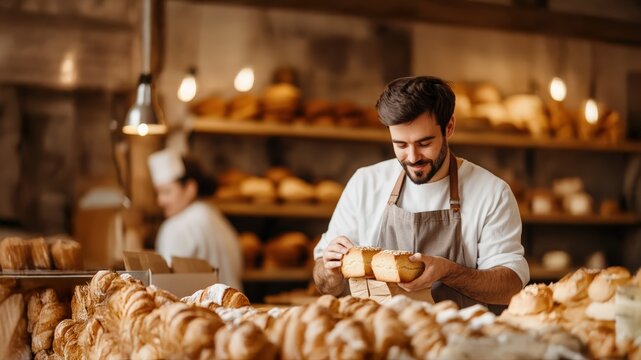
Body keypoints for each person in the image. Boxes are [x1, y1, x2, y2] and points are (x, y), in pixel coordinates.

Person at [313, 76, 528, 307]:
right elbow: (324, 282)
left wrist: (448, 271)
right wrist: (330, 271)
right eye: (401, 145)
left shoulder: (491, 192)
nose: (413, 157)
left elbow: (510, 286)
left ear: (450, 127)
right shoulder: (365, 183)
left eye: (424, 143)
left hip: (460, 338)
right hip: (379, 335)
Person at [148, 149, 243, 290]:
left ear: (190, 189)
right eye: (158, 193)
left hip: (196, 311)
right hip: (234, 308)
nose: (160, 201)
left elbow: (166, 288)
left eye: (167, 192)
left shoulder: (176, 226)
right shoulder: (217, 219)